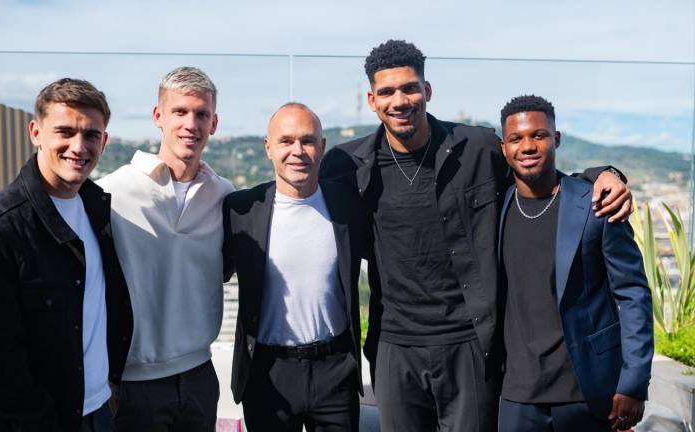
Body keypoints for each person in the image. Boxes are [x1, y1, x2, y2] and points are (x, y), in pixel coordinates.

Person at [319, 39, 634, 431]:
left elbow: (537, 173)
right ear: (371, 100)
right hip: (394, 346)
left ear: (427, 90)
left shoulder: (478, 148)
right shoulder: (347, 165)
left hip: (470, 344)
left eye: (409, 88)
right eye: (387, 92)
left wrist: (602, 174)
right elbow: (296, 196)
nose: (399, 101)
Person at [0, 78, 133, 432]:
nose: (78, 147)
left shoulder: (97, 208)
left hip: (99, 410)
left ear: (104, 141)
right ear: (36, 133)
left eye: (91, 135)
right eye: (65, 132)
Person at [497, 95, 652, 432]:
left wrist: (634, 381)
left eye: (539, 135)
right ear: (503, 148)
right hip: (515, 395)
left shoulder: (597, 205)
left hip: (587, 392)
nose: (528, 146)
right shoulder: (497, 206)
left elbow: (633, 294)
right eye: (516, 138)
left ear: (556, 138)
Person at [97, 66, 233, 431]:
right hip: (133, 384)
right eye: (180, 112)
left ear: (214, 123)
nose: (191, 124)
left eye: (201, 114)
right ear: (158, 116)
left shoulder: (224, 195)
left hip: (200, 376)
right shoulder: (111, 193)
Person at [223, 103, 369, 431]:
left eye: (308, 140)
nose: (298, 151)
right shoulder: (241, 210)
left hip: (335, 372)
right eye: (286, 141)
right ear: (268, 147)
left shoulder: (348, 206)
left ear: (322, 147)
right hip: (267, 375)